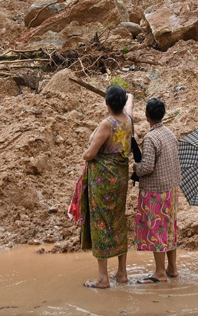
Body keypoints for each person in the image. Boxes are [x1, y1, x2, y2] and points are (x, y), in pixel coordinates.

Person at [81, 84, 135, 288]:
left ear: (106, 103)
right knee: (118, 221)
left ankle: (103, 277)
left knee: (101, 224)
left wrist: (84, 154)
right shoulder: (128, 119)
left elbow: (90, 154)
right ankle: (122, 272)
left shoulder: (107, 124)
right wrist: (129, 96)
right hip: (120, 179)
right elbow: (130, 102)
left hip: (104, 182)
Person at [133, 97, 181, 283]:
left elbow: (147, 167)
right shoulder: (169, 133)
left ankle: (160, 272)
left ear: (146, 116)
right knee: (169, 229)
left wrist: (135, 167)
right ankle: (172, 268)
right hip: (171, 188)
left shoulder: (151, 138)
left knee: (156, 230)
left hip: (155, 192)